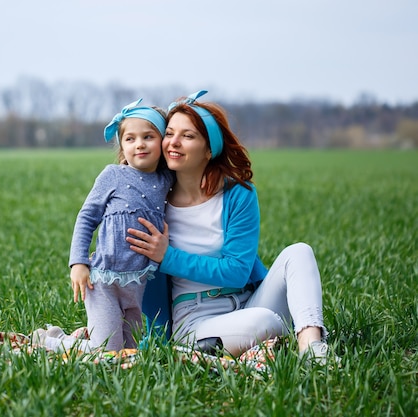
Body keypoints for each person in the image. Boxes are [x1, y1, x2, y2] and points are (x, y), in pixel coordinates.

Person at [126, 90, 336, 364]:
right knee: (264, 321)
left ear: (209, 149)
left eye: (188, 136)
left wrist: (168, 258)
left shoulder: (238, 194)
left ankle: (313, 351)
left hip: (249, 301)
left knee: (299, 251)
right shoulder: (153, 200)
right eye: (170, 133)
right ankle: (278, 332)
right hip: (194, 319)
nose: (173, 143)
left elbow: (237, 272)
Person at [32, 99, 173, 352]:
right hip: (103, 281)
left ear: (162, 141)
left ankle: (64, 339)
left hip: (137, 283)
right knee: (107, 350)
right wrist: (78, 262)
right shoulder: (113, 175)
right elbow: (86, 217)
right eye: (130, 139)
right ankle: (48, 342)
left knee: (130, 351)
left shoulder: (166, 180)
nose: (139, 144)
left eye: (148, 136)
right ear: (122, 146)